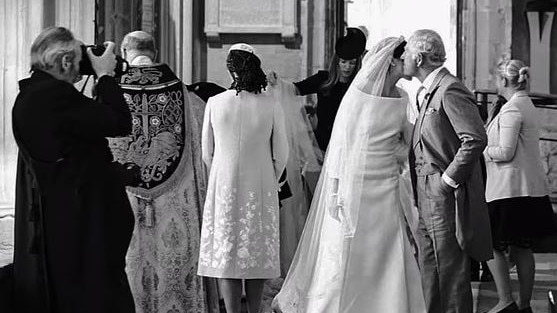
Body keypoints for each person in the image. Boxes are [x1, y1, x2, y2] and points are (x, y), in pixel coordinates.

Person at [272, 36, 427, 313]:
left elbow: (407, 141)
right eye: (403, 58)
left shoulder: (403, 97)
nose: (408, 63)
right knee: (349, 250)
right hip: (355, 186)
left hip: (387, 184)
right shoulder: (359, 94)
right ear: (391, 61)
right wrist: (334, 189)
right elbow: (342, 145)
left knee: (388, 247)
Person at [11, 26, 135, 313]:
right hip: (86, 225)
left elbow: (77, 148)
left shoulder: (30, 97)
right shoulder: (56, 96)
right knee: (97, 297)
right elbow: (119, 123)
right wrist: (104, 76)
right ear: (66, 62)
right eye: (79, 59)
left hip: (64, 219)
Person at [108, 30, 219, 313]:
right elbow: (198, 149)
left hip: (124, 195)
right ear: (154, 52)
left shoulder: (110, 90)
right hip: (174, 196)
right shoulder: (183, 93)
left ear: (124, 51)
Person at [403, 29, 492, 313]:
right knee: (430, 271)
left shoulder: (450, 88)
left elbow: (475, 138)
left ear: (418, 57)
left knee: (450, 273)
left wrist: (447, 181)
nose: (403, 58)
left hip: (442, 194)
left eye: (406, 54)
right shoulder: (429, 89)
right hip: (423, 191)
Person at [197, 43, 289, 313]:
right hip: (260, 182)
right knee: (257, 249)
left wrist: (220, 173)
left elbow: (206, 152)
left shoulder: (215, 103)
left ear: (230, 68)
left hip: (223, 182)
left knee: (228, 250)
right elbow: (281, 152)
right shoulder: (270, 104)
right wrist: (270, 175)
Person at [483, 59, 557, 313]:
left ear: (504, 81)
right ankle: (523, 305)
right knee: (521, 246)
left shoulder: (512, 109)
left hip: (509, 189)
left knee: (490, 244)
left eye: (496, 79)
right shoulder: (526, 104)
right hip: (527, 188)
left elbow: (504, 151)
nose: (494, 84)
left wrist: (481, 149)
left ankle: (506, 300)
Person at [268, 27, 366, 153]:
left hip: (350, 144)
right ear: (337, 62)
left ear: (357, 64)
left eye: (352, 63)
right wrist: (278, 82)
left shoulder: (360, 85)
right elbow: (296, 89)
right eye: (343, 62)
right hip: (323, 144)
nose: (347, 67)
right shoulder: (323, 79)